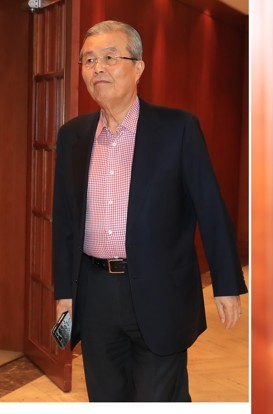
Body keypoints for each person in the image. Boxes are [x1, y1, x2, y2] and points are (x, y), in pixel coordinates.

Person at [52, 20, 247, 402]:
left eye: (110, 57)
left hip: (162, 290)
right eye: (88, 60)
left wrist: (226, 283)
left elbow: (210, 207)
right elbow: (64, 224)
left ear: (138, 67)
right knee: (106, 399)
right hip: (94, 292)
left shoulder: (178, 128)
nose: (97, 68)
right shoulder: (73, 135)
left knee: (160, 399)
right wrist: (64, 294)